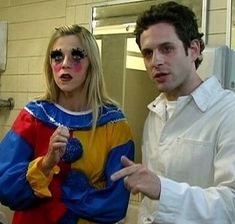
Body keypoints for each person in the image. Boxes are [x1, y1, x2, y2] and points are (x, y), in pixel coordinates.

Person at [111, 1, 235, 223]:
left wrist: (162, 189)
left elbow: (231, 204)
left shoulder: (228, 111)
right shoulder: (155, 114)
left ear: (194, 49)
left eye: (167, 49)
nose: (155, 61)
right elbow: (150, 207)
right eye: (148, 53)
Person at [0, 24, 134, 224]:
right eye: (57, 56)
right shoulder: (34, 116)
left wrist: (61, 192)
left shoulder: (114, 124)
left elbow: (115, 205)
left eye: (76, 56)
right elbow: (5, 187)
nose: (65, 64)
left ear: (92, 64)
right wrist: (46, 164)